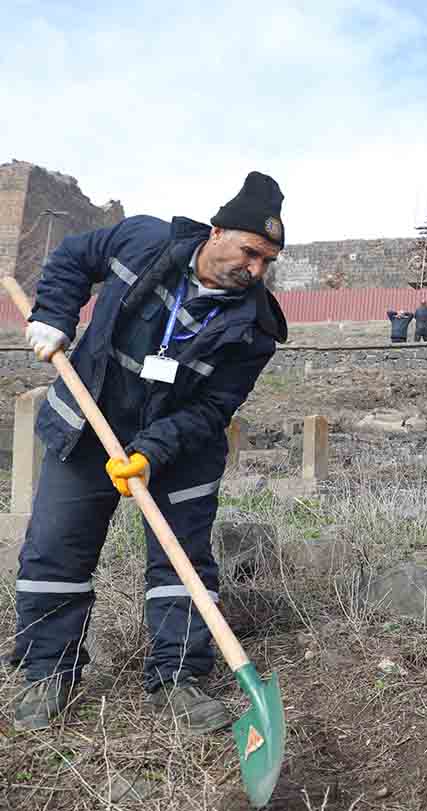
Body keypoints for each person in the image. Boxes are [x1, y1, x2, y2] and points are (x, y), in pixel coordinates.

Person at [10, 171, 289, 734]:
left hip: (181, 451)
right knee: (54, 554)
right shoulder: (141, 241)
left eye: (267, 262)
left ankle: (178, 679)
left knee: (182, 565)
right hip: (88, 428)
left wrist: (152, 450)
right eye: (251, 252)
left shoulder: (255, 327)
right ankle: (48, 674)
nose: (256, 270)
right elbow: (71, 258)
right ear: (216, 232)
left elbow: (213, 408)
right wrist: (53, 316)